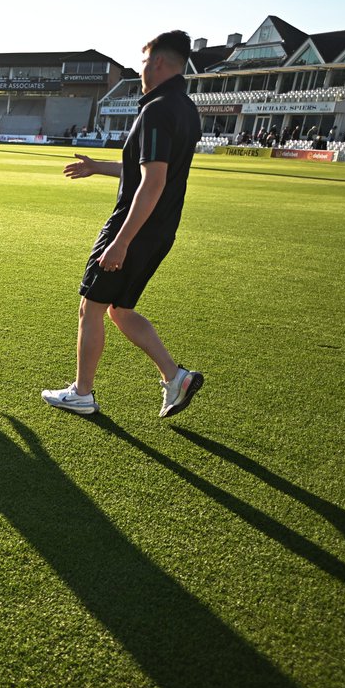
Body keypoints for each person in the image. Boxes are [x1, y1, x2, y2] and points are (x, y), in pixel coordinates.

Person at [43, 30, 203, 418]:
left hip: (134, 228)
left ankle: (82, 393)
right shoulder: (184, 107)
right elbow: (147, 169)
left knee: (90, 307)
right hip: (161, 229)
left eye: (144, 60)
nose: (142, 67)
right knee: (120, 309)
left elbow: (153, 182)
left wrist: (122, 241)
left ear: (159, 63)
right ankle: (175, 377)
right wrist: (99, 167)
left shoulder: (156, 109)